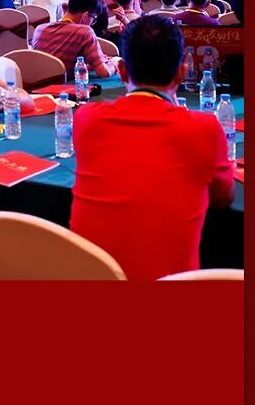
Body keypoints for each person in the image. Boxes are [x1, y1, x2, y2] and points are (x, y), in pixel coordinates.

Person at [69, 15, 235, 280]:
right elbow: (223, 197)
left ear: (122, 71)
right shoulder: (204, 129)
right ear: (182, 73)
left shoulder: (86, 118)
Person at [32, 0, 119, 78]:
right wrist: (114, 64)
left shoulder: (39, 29)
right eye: (93, 19)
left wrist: (92, 64)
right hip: (63, 85)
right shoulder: (85, 32)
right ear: (85, 16)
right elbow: (104, 73)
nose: (92, 23)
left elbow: (56, 66)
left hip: (38, 83)